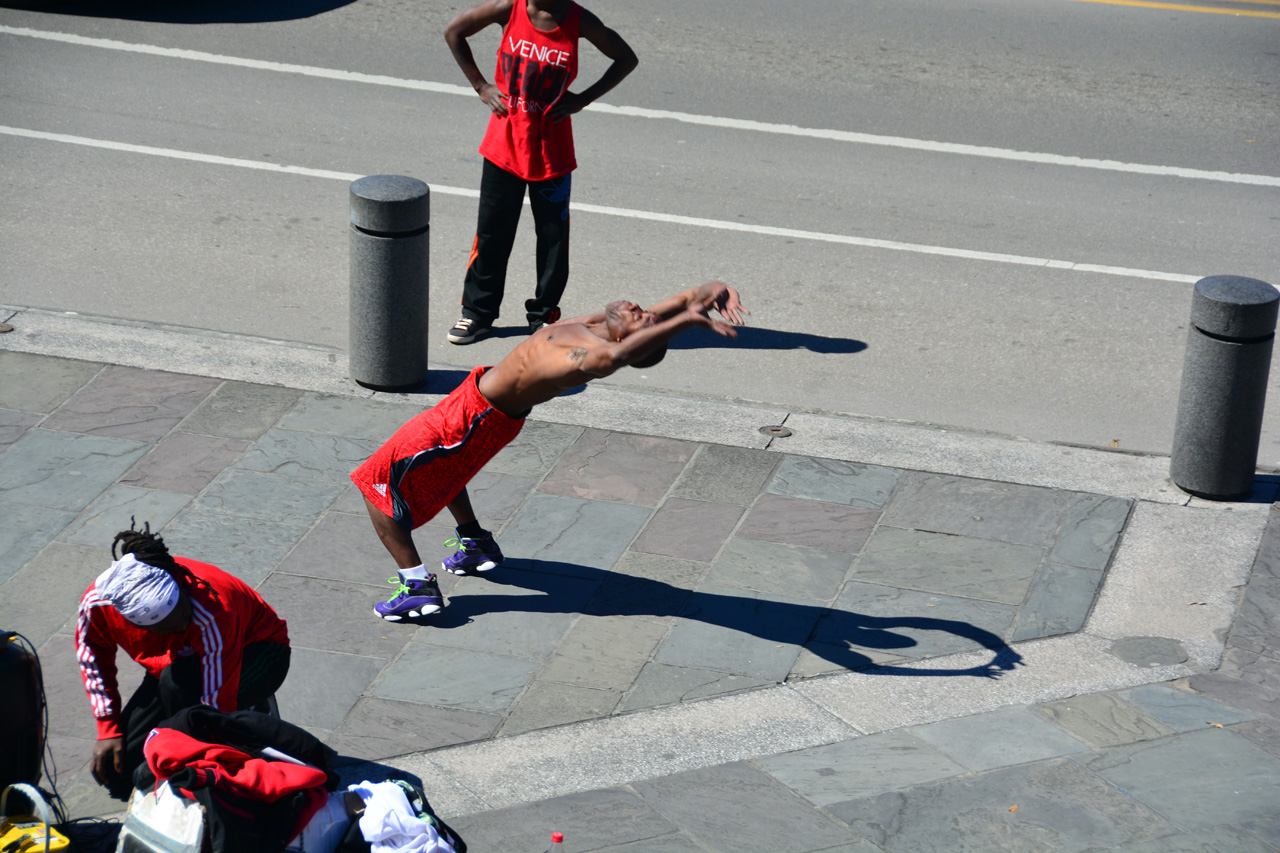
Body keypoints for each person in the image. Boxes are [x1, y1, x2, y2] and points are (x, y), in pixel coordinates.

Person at [352, 281, 748, 621]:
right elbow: (672, 306)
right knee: (447, 469)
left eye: (642, 318)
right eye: (645, 311)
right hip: (475, 411)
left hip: (468, 419)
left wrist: (687, 322)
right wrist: (704, 292)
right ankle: (474, 543)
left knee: (377, 481)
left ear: (629, 339)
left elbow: (615, 356)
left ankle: (416, 585)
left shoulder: (585, 357)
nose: (640, 308)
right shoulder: (601, 326)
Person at [443, 0, 638, 344]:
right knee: (492, 234)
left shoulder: (579, 20)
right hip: (504, 146)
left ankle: (543, 317)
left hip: (553, 153)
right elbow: (454, 32)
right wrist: (481, 86)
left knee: (553, 240)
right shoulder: (510, 8)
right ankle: (477, 314)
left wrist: (584, 99)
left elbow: (626, 58)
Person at [75, 523, 292, 800]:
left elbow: (214, 709)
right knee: (120, 771)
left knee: (183, 708)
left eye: (184, 614)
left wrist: (187, 757)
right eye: (172, 627)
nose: (185, 625)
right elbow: (93, 659)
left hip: (259, 653)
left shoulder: (211, 608)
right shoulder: (98, 606)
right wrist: (108, 729)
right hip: (175, 669)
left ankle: (253, 715)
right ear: (142, 627)